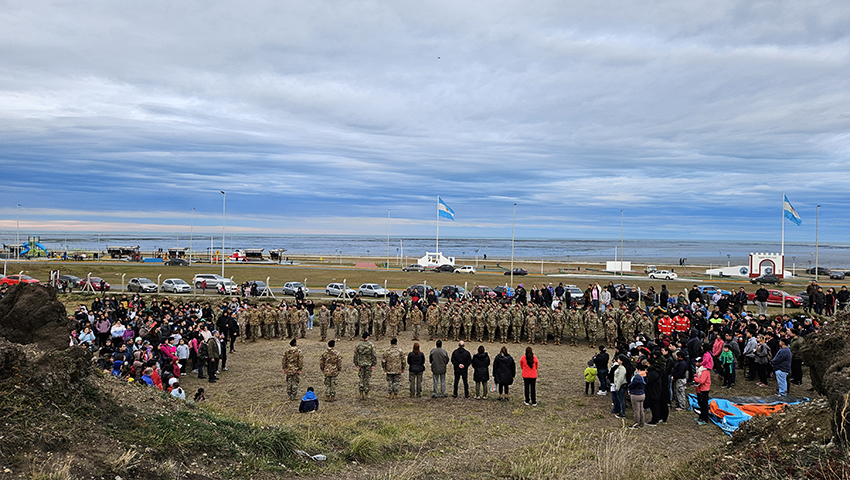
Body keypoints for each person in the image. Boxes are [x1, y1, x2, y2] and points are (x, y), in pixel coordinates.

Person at [353, 332, 378, 399]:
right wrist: (374, 364)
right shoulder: (370, 345)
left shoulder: (358, 344)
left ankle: (361, 392)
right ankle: (366, 393)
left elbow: (355, 355)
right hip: (368, 364)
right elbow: (374, 355)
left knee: (361, 378)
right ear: (367, 337)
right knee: (367, 378)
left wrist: (356, 364)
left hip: (361, 363)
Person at [694, 356, 711, 425]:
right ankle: (701, 417)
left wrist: (695, 378)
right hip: (699, 389)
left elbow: (701, 380)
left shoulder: (704, 371)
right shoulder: (699, 370)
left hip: (704, 389)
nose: (696, 363)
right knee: (700, 403)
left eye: (697, 362)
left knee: (704, 404)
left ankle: (705, 419)